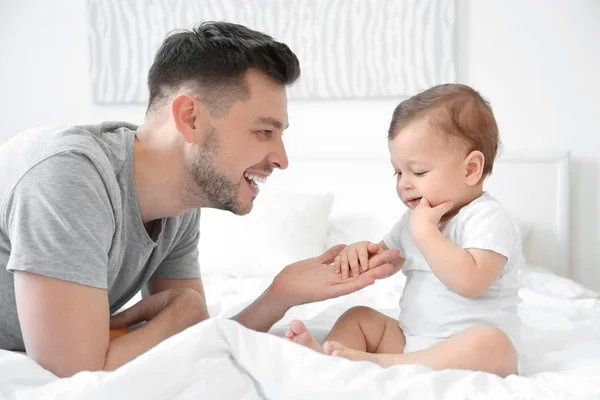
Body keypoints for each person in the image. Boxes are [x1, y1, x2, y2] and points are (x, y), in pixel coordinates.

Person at [0, 21, 399, 378]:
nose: (282, 158)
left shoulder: (179, 206)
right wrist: (185, 314)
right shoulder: (68, 175)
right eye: (263, 131)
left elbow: (193, 339)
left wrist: (281, 294)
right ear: (190, 117)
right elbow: (75, 374)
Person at [286, 84, 523, 377]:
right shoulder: (414, 220)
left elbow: (470, 282)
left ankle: (379, 363)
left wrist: (425, 233)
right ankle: (329, 358)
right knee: (358, 317)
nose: (404, 184)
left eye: (419, 172)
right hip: (412, 341)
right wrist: (360, 253)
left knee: (493, 345)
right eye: (398, 172)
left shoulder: (487, 218)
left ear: (471, 169)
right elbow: (385, 262)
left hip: (466, 350)